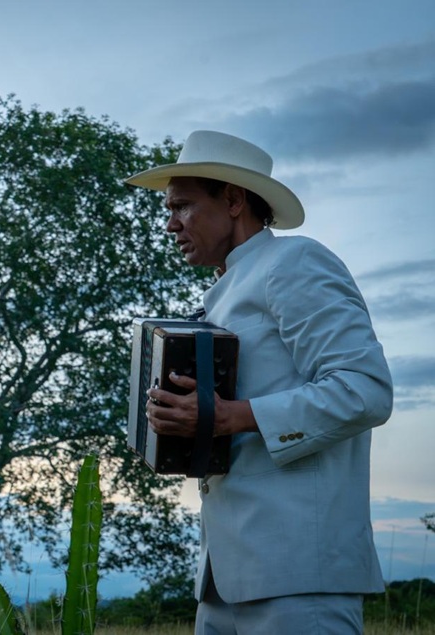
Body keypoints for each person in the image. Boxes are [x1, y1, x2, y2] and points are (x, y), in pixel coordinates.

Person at [126, 130, 393, 634]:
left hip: (297, 574)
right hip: (223, 579)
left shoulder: (294, 262)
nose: (169, 224)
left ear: (232, 200)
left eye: (182, 206)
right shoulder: (218, 297)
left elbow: (366, 390)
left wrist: (227, 416)